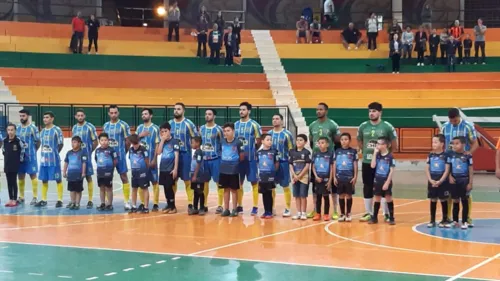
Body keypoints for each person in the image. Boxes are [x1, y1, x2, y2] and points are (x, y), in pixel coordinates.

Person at [357, 102, 398, 222]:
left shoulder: (387, 127)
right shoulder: (363, 126)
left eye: (374, 111)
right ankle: (369, 213)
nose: (371, 113)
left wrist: (385, 155)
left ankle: (386, 214)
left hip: (382, 163)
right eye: (370, 111)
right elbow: (359, 141)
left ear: (380, 112)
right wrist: (365, 152)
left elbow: (394, 144)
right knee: (368, 186)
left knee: (384, 188)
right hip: (367, 162)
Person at [441, 108, 477, 227]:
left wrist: (469, 153)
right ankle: (450, 217)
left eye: (455, 120)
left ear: (458, 116)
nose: (453, 123)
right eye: (451, 121)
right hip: (449, 161)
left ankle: (467, 217)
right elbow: (442, 143)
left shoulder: (468, 126)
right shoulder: (445, 127)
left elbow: (475, 143)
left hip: (462, 163)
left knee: (466, 191)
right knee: (450, 190)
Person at [308, 103, 340, 219]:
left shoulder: (332, 125)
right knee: (315, 187)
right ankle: (315, 210)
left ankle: (335, 210)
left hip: (329, 160)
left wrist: (330, 154)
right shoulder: (312, 125)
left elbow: (337, 141)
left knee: (332, 187)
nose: (318, 111)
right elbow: (311, 142)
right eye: (317, 110)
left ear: (326, 111)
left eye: (321, 109)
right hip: (317, 160)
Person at [169, 102, 198, 213]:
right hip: (172, 155)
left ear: (183, 111)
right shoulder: (170, 124)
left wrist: (194, 151)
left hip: (185, 155)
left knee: (187, 180)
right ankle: (172, 204)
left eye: (179, 109)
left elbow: (195, 138)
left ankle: (190, 204)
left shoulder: (189, 124)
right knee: (172, 180)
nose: (176, 111)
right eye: (175, 109)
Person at [235, 102, 262, 215]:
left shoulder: (255, 125)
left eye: (244, 110)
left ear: (249, 111)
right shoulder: (235, 125)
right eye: (240, 109)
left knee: (254, 182)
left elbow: (259, 140)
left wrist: (252, 150)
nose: (241, 111)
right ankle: (239, 205)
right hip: (238, 160)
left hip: (251, 160)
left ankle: (255, 206)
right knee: (239, 183)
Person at [103, 105, 132, 209]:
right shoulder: (105, 125)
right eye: (111, 113)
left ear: (118, 113)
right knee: (107, 179)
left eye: (115, 112)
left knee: (124, 177)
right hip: (108, 157)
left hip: (120, 156)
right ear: (108, 113)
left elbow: (128, 141)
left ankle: (126, 201)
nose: (113, 114)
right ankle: (108, 202)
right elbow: (103, 140)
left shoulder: (124, 125)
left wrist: (124, 152)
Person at [35, 111, 64, 208]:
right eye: (44, 117)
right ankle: (44, 199)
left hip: (54, 160)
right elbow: (40, 143)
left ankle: (60, 200)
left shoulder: (57, 130)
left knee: (58, 179)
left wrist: (55, 154)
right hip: (44, 161)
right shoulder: (42, 131)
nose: (45, 119)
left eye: (47, 117)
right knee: (44, 179)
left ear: (52, 119)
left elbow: (61, 143)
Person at [72, 109, 98, 209]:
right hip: (76, 158)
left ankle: (90, 200)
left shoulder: (90, 127)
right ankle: (75, 201)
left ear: (84, 116)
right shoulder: (74, 128)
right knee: (76, 178)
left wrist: (90, 151)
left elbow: (95, 141)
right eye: (78, 115)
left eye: (82, 115)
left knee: (88, 177)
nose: (80, 117)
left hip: (86, 158)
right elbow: (74, 141)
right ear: (75, 117)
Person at [268, 114, 294, 217]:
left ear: (282, 121)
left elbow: (291, 150)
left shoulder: (287, 134)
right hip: (272, 164)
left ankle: (287, 208)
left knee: (285, 186)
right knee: (272, 186)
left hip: (284, 162)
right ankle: (272, 208)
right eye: (273, 119)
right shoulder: (269, 134)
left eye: (277, 119)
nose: (275, 121)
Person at [136, 108, 160, 211]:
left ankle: (155, 203)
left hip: (151, 160)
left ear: (151, 116)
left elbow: (157, 144)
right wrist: (140, 135)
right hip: (140, 162)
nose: (143, 116)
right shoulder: (139, 128)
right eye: (142, 114)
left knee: (155, 182)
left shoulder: (155, 128)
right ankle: (142, 202)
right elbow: (133, 141)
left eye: (146, 114)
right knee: (141, 182)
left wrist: (154, 159)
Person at [200, 109, 223, 213]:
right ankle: (204, 204)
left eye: (209, 114)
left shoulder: (218, 129)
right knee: (204, 182)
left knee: (219, 182)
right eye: (206, 114)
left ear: (214, 116)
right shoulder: (201, 129)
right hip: (204, 160)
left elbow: (223, 144)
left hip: (216, 159)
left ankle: (220, 205)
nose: (207, 116)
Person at [447, 137, 473, 229]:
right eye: (453, 143)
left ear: (463, 144)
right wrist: (449, 176)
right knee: (455, 200)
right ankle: (455, 221)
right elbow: (448, 167)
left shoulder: (468, 156)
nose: (454, 145)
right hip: (454, 180)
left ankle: (465, 221)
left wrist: (470, 183)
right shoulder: (451, 155)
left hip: (464, 180)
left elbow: (470, 169)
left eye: (457, 143)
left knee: (464, 200)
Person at [219, 123, 244, 217]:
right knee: (225, 189)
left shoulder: (238, 142)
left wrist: (235, 163)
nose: (226, 133)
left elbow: (242, 155)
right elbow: (220, 152)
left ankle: (234, 209)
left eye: (228, 130)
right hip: (223, 168)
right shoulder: (222, 141)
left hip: (234, 169)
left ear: (233, 131)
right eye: (224, 131)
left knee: (234, 189)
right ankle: (226, 209)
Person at [369, 137, 396, 225]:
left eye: (379, 144)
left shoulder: (390, 156)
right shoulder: (377, 155)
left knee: (388, 198)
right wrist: (374, 153)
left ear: (385, 145)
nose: (377, 145)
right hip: (377, 181)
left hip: (386, 181)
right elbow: (372, 166)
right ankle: (374, 218)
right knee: (377, 199)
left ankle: (391, 217)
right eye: (377, 143)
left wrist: (387, 182)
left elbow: (392, 170)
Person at [425, 134, 450, 228]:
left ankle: (444, 219)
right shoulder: (430, 155)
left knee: (443, 199)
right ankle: (432, 220)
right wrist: (430, 180)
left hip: (442, 181)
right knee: (433, 199)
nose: (433, 144)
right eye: (432, 142)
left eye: (436, 142)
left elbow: (447, 169)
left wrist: (441, 180)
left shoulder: (446, 155)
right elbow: (427, 168)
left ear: (442, 143)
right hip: (432, 180)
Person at [17, 109, 40, 205]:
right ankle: (21, 197)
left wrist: (33, 152)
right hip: (19, 157)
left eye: (23, 116)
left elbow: (38, 142)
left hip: (30, 157)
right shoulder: (17, 128)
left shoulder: (33, 128)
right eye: (20, 116)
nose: (22, 118)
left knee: (33, 175)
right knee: (20, 176)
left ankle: (35, 197)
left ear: (28, 116)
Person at [333, 133, 358, 222]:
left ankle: (348, 213)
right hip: (339, 177)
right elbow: (334, 164)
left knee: (348, 195)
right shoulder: (337, 151)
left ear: (350, 141)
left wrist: (355, 176)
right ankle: (342, 213)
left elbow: (355, 164)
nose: (344, 141)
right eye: (342, 139)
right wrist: (334, 177)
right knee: (341, 195)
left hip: (349, 178)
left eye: (346, 139)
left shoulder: (353, 151)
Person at [157, 122, 180, 213]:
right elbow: (158, 152)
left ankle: (173, 206)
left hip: (170, 169)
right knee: (165, 188)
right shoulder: (162, 142)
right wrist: (162, 140)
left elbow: (177, 156)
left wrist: (175, 169)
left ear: (169, 131)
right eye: (162, 132)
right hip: (163, 168)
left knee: (169, 187)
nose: (164, 133)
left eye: (165, 131)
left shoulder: (174, 141)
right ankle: (168, 204)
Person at [289, 134, 311, 220]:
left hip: (303, 177)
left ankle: (303, 213)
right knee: (296, 195)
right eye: (297, 140)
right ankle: (298, 212)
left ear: (305, 142)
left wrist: (299, 176)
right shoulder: (292, 151)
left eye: (301, 140)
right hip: (295, 177)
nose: (298, 141)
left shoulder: (306, 152)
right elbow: (290, 164)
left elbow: (307, 166)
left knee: (303, 195)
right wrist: (294, 175)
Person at [257, 134, 279, 219]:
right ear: (262, 141)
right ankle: (265, 211)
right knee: (264, 194)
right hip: (262, 176)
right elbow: (258, 163)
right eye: (267, 140)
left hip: (271, 176)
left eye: (270, 140)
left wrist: (273, 172)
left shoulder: (274, 152)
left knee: (269, 193)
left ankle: (270, 211)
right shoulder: (259, 152)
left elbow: (276, 163)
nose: (270, 141)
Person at [128, 134, 151, 214]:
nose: (135, 145)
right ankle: (134, 206)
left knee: (145, 189)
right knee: (134, 189)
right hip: (134, 173)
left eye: (136, 143)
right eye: (133, 144)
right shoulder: (130, 150)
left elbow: (147, 161)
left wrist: (146, 171)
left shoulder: (143, 150)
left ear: (139, 142)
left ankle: (146, 207)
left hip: (143, 172)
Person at [312, 137, 333, 221]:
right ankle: (318, 213)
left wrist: (330, 180)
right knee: (318, 197)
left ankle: (326, 214)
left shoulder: (330, 154)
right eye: (319, 143)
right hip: (318, 179)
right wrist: (316, 176)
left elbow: (332, 168)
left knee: (326, 197)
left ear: (327, 144)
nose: (320, 144)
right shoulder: (316, 154)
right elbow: (313, 167)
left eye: (323, 143)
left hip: (326, 179)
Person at [63, 136, 87, 210]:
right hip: (70, 174)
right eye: (72, 142)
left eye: (75, 142)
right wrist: (64, 171)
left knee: (78, 190)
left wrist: (83, 172)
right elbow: (66, 162)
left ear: (79, 143)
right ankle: (73, 202)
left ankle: (77, 203)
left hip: (78, 174)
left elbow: (84, 163)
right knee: (71, 189)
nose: (73, 144)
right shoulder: (69, 153)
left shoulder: (82, 152)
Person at [3, 124, 24, 207]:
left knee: (14, 182)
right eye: (9, 130)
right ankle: (10, 199)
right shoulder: (4, 140)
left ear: (15, 131)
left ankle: (14, 199)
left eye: (12, 130)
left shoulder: (18, 141)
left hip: (14, 165)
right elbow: (3, 150)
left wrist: (20, 159)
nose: (10, 132)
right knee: (8, 182)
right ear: (7, 131)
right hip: (7, 165)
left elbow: (22, 149)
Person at [95, 133, 117, 211]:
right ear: (99, 141)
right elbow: (96, 160)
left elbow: (115, 161)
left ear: (108, 141)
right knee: (101, 188)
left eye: (105, 140)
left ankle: (110, 204)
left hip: (108, 173)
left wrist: (111, 169)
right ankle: (103, 203)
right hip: (100, 172)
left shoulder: (111, 150)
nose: (104, 142)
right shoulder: (97, 150)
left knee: (109, 188)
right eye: (102, 140)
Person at [190, 136, 208, 215]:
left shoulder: (199, 152)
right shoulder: (196, 152)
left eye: (192, 143)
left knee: (200, 191)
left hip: (199, 175)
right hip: (195, 174)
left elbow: (198, 164)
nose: (191, 144)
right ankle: (195, 208)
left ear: (197, 143)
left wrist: (195, 175)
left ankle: (201, 208)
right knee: (195, 191)